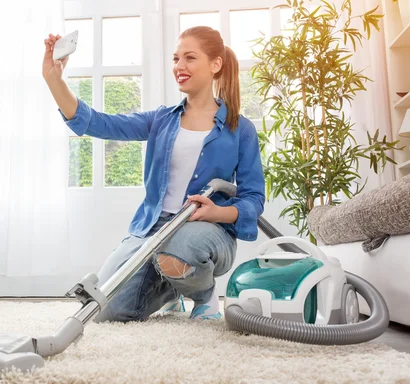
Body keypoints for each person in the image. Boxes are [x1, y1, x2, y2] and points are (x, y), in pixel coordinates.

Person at [42, 26, 265, 322]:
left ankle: (203, 294)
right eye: (175, 59)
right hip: (153, 228)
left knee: (182, 246)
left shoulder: (241, 129)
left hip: (208, 231)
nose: (179, 67)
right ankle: (172, 287)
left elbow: (254, 198)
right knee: (106, 311)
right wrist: (53, 78)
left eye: (189, 58)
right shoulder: (162, 119)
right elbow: (98, 123)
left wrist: (217, 213)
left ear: (215, 64)